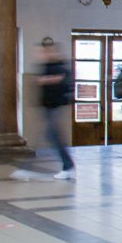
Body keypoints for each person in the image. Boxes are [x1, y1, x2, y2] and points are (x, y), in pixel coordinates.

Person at [37, 42, 75, 179]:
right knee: (51, 135)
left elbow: (62, 80)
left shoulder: (59, 66)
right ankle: (67, 165)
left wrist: (48, 80)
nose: (42, 55)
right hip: (48, 106)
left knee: (54, 135)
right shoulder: (46, 67)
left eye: (45, 52)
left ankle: (68, 165)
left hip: (55, 106)